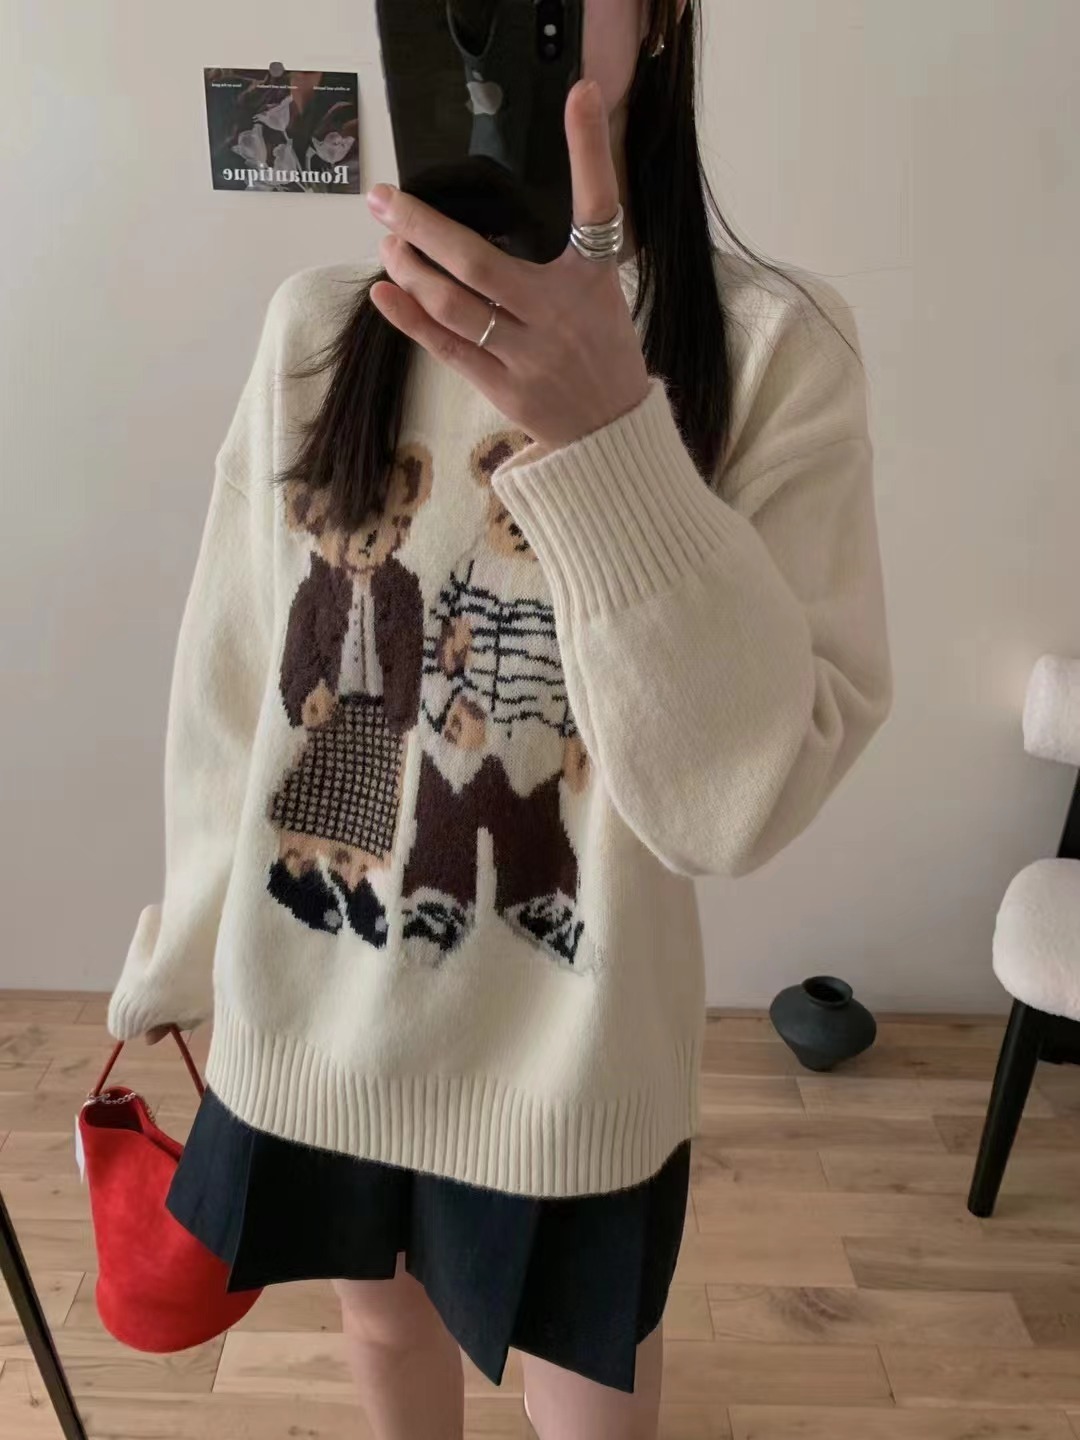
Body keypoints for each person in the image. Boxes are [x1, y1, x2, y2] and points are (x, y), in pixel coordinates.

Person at [106, 2, 892, 1437]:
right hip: (318, 1014)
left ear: (662, 13)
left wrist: (613, 439)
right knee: (380, 1326)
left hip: (571, 1061)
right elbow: (231, 683)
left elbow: (742, 801)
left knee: (589, 1398)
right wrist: (181, 945)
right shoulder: (318, 329)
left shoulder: (776, 347)